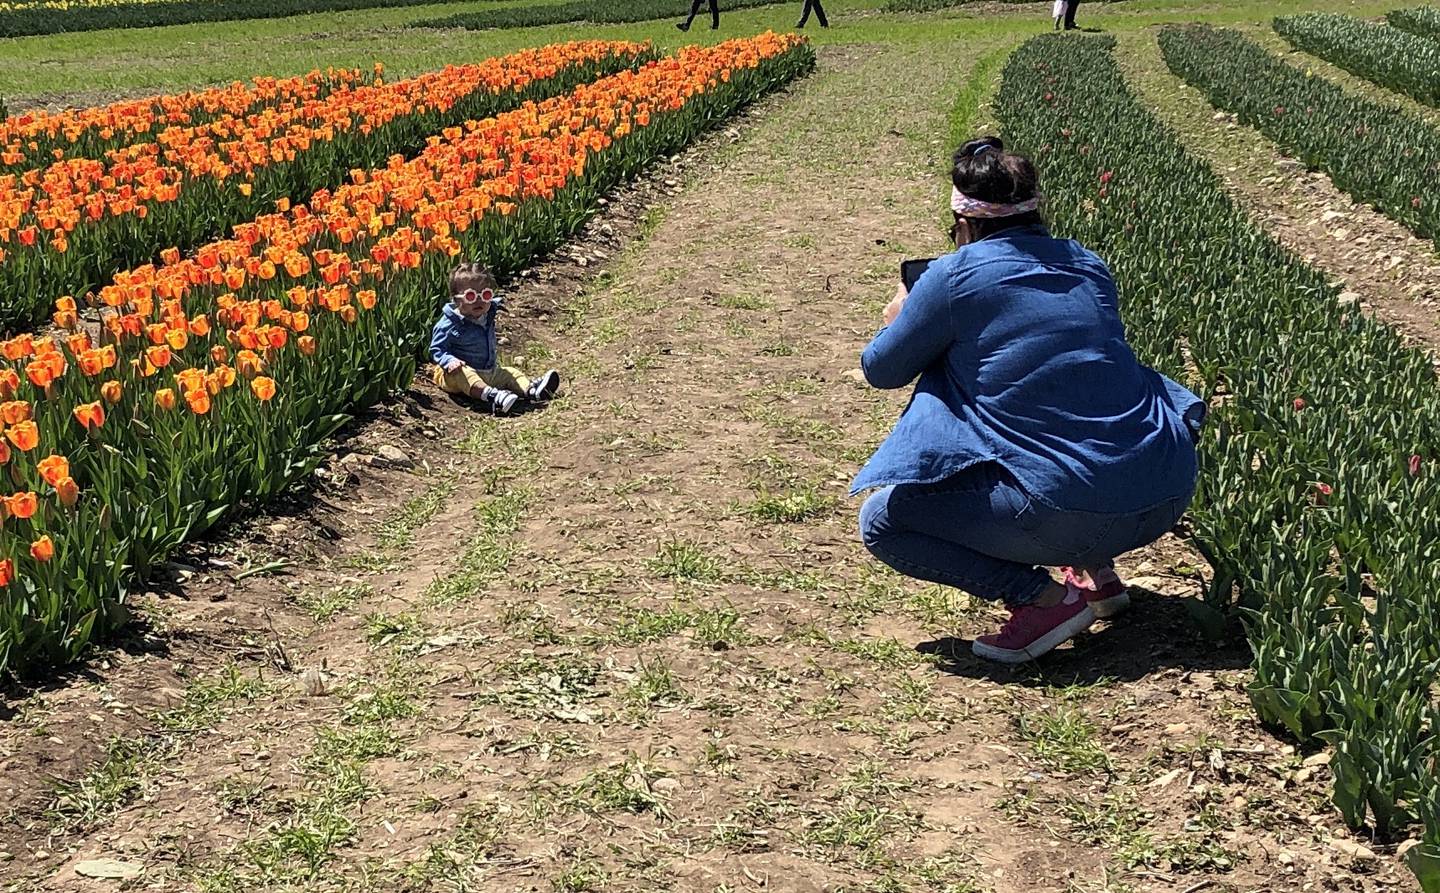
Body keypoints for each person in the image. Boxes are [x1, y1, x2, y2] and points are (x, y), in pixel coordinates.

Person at [853, 136, 1205, 664]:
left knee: (883, 521)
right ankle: (1098, 575)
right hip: (1166, 491)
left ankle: (1044, 599)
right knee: (1070, 404)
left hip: (1070, 509)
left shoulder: (953, 276)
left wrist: (900, 317)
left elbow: (882, 369)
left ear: (965, 225)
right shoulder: (1088, 263)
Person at [430, 262, 561, 415]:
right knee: (465, 373)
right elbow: (436, 349)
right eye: (471, 296)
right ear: (456, 300)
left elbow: (494, 303)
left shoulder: (487, 314)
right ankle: (492, 396)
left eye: (485, 295)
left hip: (488, 371)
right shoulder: (449, 324)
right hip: (453, 376)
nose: (479, 301)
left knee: (510, 373)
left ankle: (531, 391)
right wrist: (449, 361)